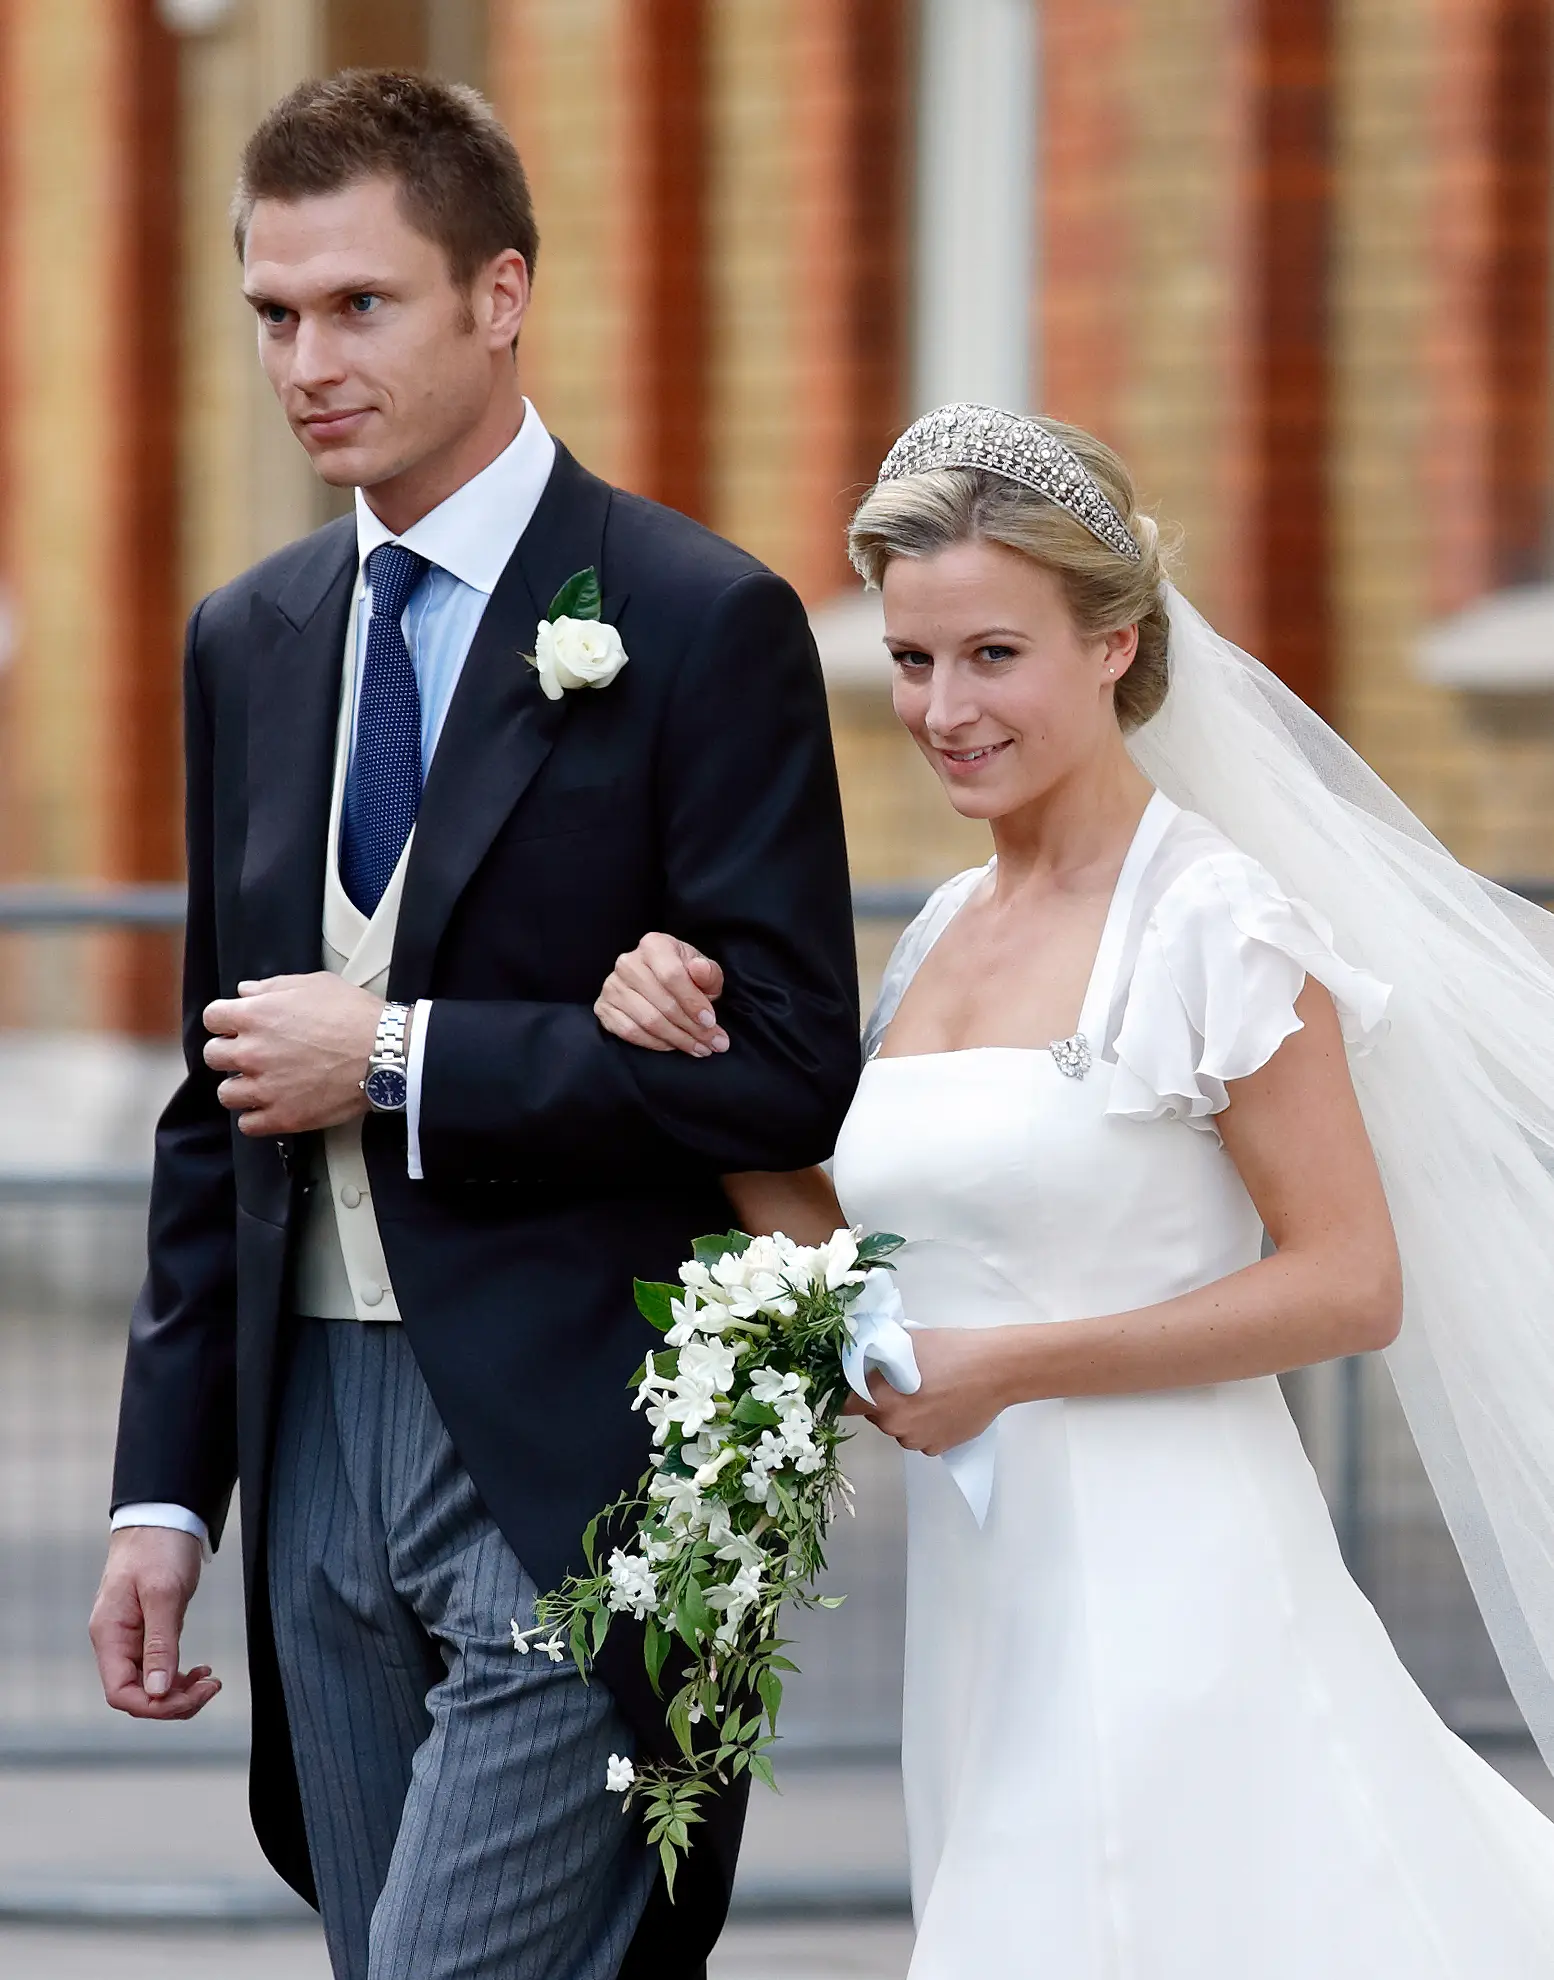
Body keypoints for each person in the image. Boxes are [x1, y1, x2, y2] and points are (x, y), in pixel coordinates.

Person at [597, 402, 1554, 1973]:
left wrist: (1013, 1367)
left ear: (1113, 644)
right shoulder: (942, 932)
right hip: (985, 1596)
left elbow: (1344, 1282)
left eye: (992, 656)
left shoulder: (1216, 924)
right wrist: (689, 1066)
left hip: (1171, 1572)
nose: (941, 708)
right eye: (911, 661)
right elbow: (861, 1255)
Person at [88, 69, 859, 1980]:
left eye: (362, 304)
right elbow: (222, 1089)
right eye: (274, 312)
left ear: (498, 295)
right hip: (311, 1446)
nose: (306, 360)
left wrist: (413, 1056)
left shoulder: (696, 618)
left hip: (573, 1441)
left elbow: (784, 1059)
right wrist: (167, 1489)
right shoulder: (245, 636)